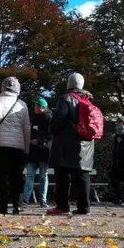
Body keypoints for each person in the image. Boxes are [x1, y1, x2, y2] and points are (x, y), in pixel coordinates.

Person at [47, 73, 95, 215]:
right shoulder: (89, 99)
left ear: (69, 84)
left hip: (66, 143)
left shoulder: (66, 98)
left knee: (62, 173)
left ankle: (62, 206)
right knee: (83, 174)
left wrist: (51, 130)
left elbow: (59, 117)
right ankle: (84, 207)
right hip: (86, 143)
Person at [0, 77, 30, 215]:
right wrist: (26, 148)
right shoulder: (22, 105)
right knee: (16, 176)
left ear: (3, 87)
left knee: (1, 177)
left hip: (0, 144)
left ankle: (2, 206)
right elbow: (26, 128)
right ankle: (18, 205)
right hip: (18, 146)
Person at [22, 97, 53, 208]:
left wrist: (39, 141)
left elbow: (51, 135)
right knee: (30, 175)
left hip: (43, 151)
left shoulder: (49, 118)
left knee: (43, 176)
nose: (34, 107)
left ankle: (43, 201)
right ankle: (25, 199)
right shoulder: (34, 118)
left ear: (41, 107)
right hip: (33, 152)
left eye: (36, 105)